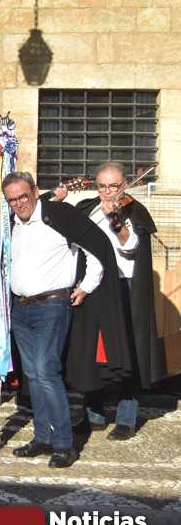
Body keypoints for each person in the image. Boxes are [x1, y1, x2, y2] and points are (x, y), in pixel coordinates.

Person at [2, 171, 122, 468]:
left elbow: (96, 248)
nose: (19, 203)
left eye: (23, 196)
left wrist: (87, 286)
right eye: (12, 200)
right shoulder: (11, 223)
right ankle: (42, 437)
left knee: (46, 372)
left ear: (34, 191)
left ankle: (64, 444)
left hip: (51, 306)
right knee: (33, 376)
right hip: (20, 308)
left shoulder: (59, 215)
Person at [72, 163, 167, 440]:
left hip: (124, 287)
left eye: (113, 186)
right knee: (91, 351)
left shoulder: (133, 211)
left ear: (124, 185)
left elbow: (130, 245)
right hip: (93, 286)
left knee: (126, 351)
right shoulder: (87, 209)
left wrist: (115, 221)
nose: (107, 192)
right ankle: (93, 414)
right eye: (102, 186)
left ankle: (126, 417)